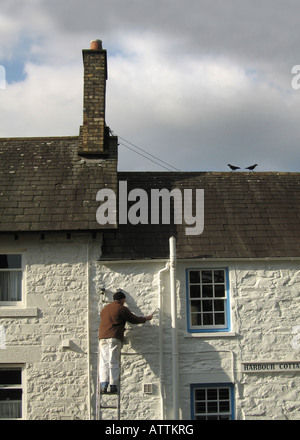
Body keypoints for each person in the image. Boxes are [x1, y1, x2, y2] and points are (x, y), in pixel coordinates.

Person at [98, 290, 153, 393]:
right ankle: (113, 385)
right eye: (124, 300)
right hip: (114, 337)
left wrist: (120, 326)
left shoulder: (105, 309)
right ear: (122, 299)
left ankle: (103, 385)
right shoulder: (121, 308)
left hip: (103, 337)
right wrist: (146, 318)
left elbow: (110, 321)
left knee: (104, 361)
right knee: (113, 361)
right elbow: (133, 319)